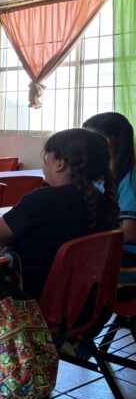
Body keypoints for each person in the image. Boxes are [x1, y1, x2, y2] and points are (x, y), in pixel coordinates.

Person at [0, 128, 120, 299]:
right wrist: (19, 243)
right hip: (84, 304)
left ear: (59, 164)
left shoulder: (42, 200)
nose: (44, 165)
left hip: (32, 304)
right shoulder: (105, 203)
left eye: (45, 159)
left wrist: (13, 242)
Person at [83, 112, 136, 301]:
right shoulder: (103, 174)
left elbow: (130, 233)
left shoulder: (128, 179)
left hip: (127, 265)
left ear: (107, 141)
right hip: (114, 257)